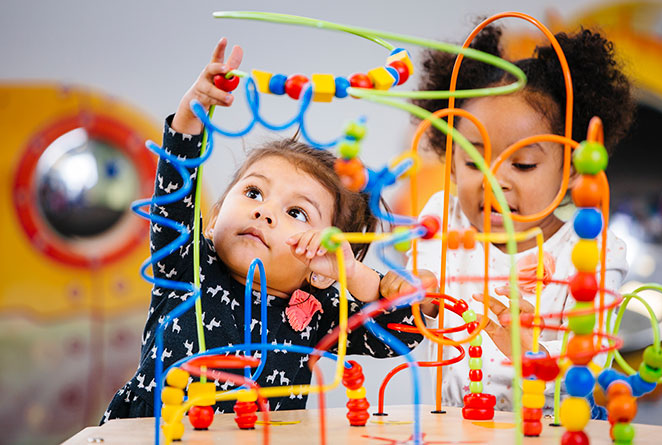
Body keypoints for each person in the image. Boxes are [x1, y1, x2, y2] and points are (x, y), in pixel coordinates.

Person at [102, 38, 423, 422]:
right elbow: (174, 197)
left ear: (318, 268)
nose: (265, 213)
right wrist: (193, 114)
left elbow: (401, 332)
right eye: (254, 192)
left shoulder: (319, 311)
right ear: (217, 215)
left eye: (297, 213)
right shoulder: (186, 266)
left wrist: (350, 273)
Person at [380, 26, 634, 414]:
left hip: (552, 430)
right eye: (473, 159)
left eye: (524, 164)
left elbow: (589, 363)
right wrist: (411, 297)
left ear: (571, 170)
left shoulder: (592, 251)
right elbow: (421, 323)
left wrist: (529, 348)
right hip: (455, 426)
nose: (495, 180)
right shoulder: (443, 218)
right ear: (450, 160)